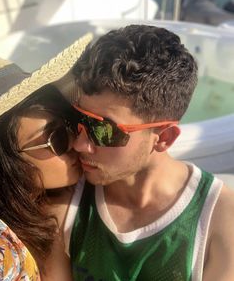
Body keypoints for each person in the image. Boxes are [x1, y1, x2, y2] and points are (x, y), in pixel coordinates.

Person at [68, 24, 234, 280]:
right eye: (76, 118)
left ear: (164, 138)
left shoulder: (220, 221)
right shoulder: (68, 192)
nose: (80, 144)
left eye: (103, 130)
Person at [0, 33, 92, 281]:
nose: (78, 143)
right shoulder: (2, 250)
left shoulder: (34, 212)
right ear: (6, 163)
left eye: (71, 124)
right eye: (56, 138)